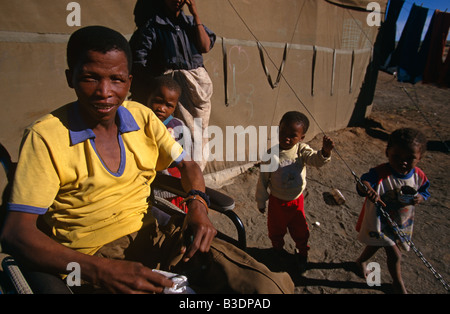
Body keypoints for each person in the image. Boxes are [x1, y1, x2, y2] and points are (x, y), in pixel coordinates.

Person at [0, 26, 294, 294]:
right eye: (90, 77)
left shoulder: (142, 117)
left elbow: (188, 165)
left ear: (129, 81)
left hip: (158, 238)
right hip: (90, 261)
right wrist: (101, 271)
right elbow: (16, 233)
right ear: (70, 78)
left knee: (266, 288)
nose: (105, 92)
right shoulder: (45, 137)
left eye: (116, 80)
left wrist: (198, 205)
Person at [129, 0, 215, 171]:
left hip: (196, 89)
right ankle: (172, 178)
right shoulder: (153, 26)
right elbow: (139, 61)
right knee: (172, 134)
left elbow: (205, 46)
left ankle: (194, 175)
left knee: (197, 134)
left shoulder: (190, 23)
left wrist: (195, 12)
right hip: (170, 91)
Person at [255, 111, 334, 274]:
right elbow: (263, 180)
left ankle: (302, 253)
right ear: (278, 130)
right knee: (276, 229)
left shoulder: (301, 150)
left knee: (300, 230)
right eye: (283, 132)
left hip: (296, 201)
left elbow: (315, 160)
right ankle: (277, 250)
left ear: (302, 137)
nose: (286, 138)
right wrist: (261, 201)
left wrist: (325, 152)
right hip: (277, 201)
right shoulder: (271, 155)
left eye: (292, 135)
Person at [355, 128, 430, 294]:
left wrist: (421, 198)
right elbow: (363, 182)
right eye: (397, 156)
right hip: (380, 222)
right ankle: (398, 284)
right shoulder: (381, 173)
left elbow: (425, 190)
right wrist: (368, 188)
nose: (403, 162)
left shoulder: (418, 175)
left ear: (419, 158)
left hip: (401, 223)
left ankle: (360, 261)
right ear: (387, 152)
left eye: (409, 158)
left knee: (375, 245)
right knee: (395, 255)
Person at [147, 75, 188, 211]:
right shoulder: (142, 125)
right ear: (149, 97)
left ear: (175, 107)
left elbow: (187, 157)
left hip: (178, 187)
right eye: (158, 101)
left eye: (169, 105)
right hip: (156, 188)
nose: (162, 108)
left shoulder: (178, 126)